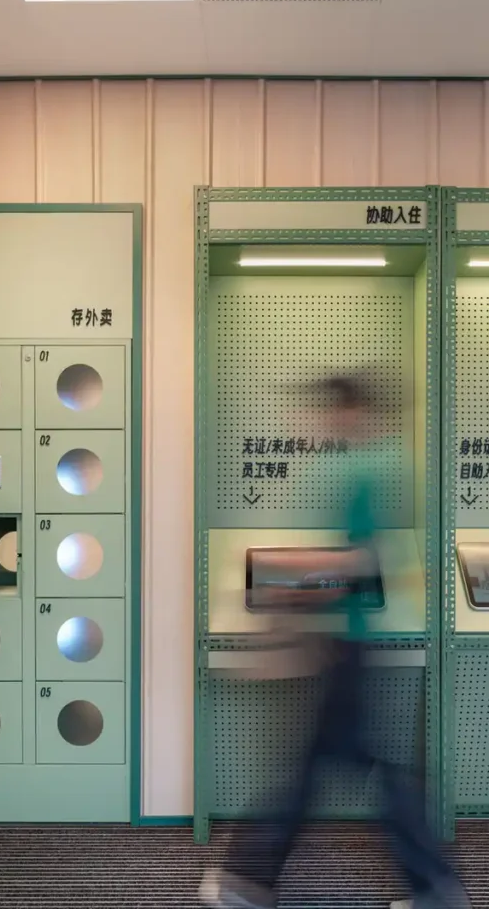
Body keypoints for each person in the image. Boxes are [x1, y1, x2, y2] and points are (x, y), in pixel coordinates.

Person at [200, 375, 469, 909]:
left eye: (331, 413)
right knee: (355, 770)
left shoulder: (360, 471)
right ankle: (435, 888)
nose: (324, 423)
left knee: (322, 771)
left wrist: (290, 599)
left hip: (346, 645)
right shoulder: (379, 465)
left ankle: (247, 881)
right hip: (348, 643)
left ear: (351, 413)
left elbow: (356, 561)